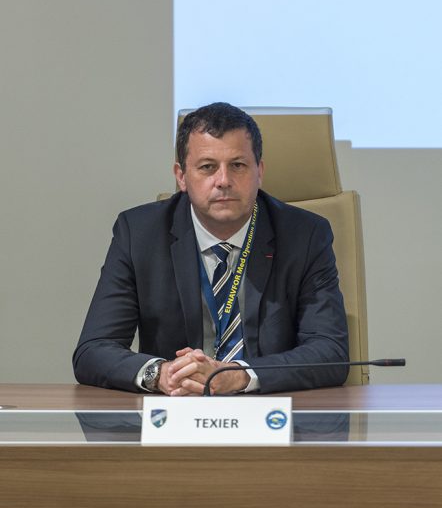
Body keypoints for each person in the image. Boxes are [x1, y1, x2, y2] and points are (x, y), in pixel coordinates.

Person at [73, 102, 349, 395]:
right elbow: (93, 351)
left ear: (259, 172)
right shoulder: (139, 234)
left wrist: (239, 376)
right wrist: (162, 374)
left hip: (270, 409)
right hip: (176, 409)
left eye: (238, 165)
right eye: (207, 167)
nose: (224, 181)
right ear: (181, 176)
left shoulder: (305, 236)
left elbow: (330, 351)